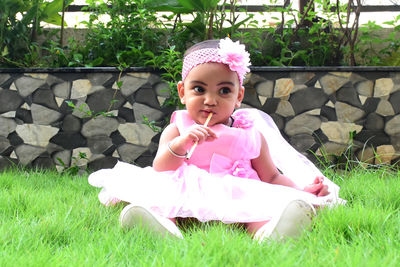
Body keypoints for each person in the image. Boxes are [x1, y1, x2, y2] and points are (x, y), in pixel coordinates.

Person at [88, 37, 345, 242]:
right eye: (199, 89)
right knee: (160, 197)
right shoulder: (179, 127)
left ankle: (269, 233)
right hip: (189, 191)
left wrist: (299, 192)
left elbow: (272, 177)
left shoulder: (250, 135)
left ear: (239, 96)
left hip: (236, 193)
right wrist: (182, 143)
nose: (211, 100)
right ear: (182, 92)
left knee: (260, 207)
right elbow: (161, 167)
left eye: (224, 91)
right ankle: (163, 228)